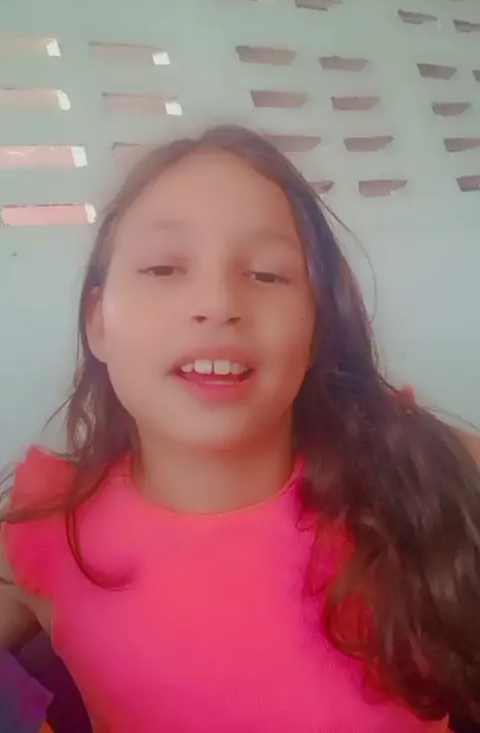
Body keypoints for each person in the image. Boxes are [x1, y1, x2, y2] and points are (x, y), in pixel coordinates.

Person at [1, 126, 479, 733]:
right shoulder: (46, 530)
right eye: (163, 268)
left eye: (266, 274)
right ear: (98, 322)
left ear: (315, 329)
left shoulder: (422, 474)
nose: (218, 302)